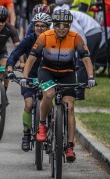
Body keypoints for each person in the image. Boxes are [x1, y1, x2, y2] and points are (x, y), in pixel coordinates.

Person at [21, 9, 95, 162]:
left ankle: (69, 146)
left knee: (70, 106)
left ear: (69, 26)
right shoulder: (45, 36)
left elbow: (86, 58)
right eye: (58, 25)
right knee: (48, 94)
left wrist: (90, 77)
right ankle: (42, 126)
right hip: (47, 71)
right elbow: (31, 59)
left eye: (65, 25)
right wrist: (25, 77)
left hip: (67, 73)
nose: (62, 28)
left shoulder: (75, 38)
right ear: (53, 25)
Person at [6, 12, 51, 151]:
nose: (39, 28)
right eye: (37, 25)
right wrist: (9, 68)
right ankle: (26, 134)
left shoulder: (53, 39)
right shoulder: (29, 39)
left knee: (48, 101)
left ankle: (51, 133)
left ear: (48, 27)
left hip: (47, 76)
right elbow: (15, 53)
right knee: (29, 103)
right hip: (30, 76)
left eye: (43, 26)